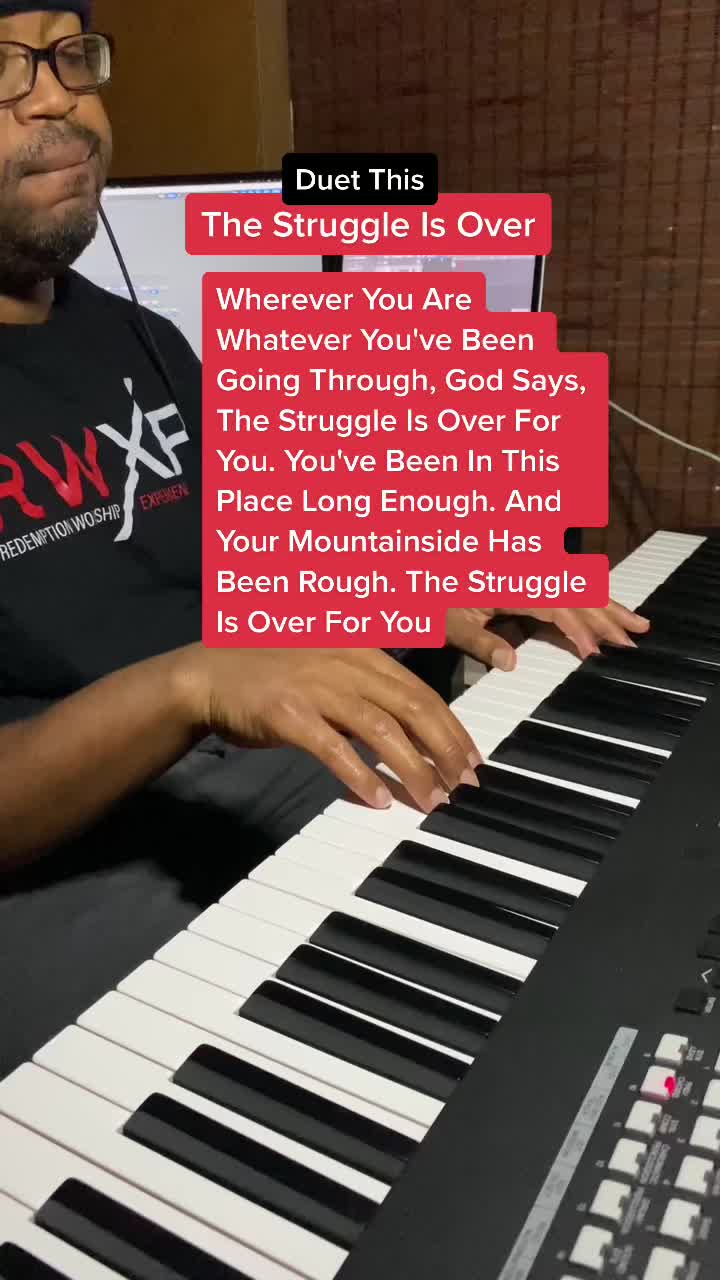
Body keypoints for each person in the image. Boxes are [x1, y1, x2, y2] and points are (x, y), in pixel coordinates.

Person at [0, 0, 649, 1075]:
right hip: (62, 874)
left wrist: (424, 581)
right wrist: (193, 683)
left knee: (584, 912)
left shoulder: (136, 337)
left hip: (245, 775)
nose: (56, 98)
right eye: (3, 68)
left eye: (69, 56)